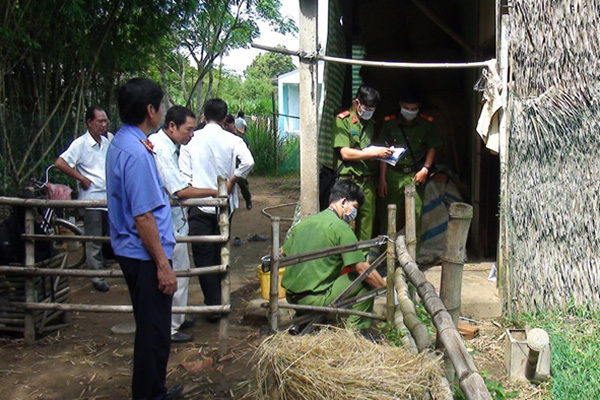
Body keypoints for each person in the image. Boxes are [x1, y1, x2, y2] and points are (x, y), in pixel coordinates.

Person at [106, 78, 182, 400]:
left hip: (134, 251)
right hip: (144, 254)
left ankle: (152, 390)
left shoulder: (122, 142)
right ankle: (151, 395)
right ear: (150, 110)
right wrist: (163, 266)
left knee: (150, 328)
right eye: (160, 106)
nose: (162, 111)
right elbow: (144, 216)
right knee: (154, 332)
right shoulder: (136, 153)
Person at [149, 106, 217, 343]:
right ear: (171, 126)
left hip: (175, 220)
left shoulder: (169, 146)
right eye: (188, 129)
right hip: (167, 223)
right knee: (176, 271)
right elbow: (179, 191)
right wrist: (213, 190)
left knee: (182, 270)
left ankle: (177, 316)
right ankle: (171, 326)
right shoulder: (160, 149)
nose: (191, 134)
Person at [179, 99, 254, 316]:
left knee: (203, 255)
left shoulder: (190, 140)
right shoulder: (232, 139)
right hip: (224, 205)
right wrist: (232, 182)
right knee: (221, 249)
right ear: (224, 118)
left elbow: (185, 177)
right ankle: (220, 298)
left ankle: (213, 303)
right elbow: (248, 162)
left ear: (203, 115)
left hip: (198, 204)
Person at [281, 180, 386, 331]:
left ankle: (303, 320)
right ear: (343, 202)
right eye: (354, 207)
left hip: (292, 298)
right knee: (365, 281)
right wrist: (386, 289)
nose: (354, 214)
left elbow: (284, 252)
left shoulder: (305, 223)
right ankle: (355, 333)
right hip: (314, 300)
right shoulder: (341, 228)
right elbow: (364, 270)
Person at [54, 105, 111, 292]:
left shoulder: (109, 140)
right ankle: (96, 276)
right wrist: (81, 178)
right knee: (93, 238)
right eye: (100, 121)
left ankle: (103, 265)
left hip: (109, 198)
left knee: (109, 235)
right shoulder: (80, 144)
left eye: (105, 121)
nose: (104, 124)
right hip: (92, 198)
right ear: (89, 122)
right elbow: (60, 162)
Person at [377, 89, 442, 241]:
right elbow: (382, 152)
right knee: (388, 215)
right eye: (407, 108)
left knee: (414, 215)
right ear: (400, 105)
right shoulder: (389, 123)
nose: (410, 112)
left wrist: (425, 169)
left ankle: (413, 255)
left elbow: (433, 146)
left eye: (414, 109)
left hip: (415, 175)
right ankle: (386, 254)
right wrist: (382, 178)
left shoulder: (426, 124)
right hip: (393, 174)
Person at [332, 84, 393, 242]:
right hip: (348, 181)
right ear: (357, 103)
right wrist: (373, 152)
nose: (369, 112)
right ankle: (344, 264)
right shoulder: (343, 121)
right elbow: (345, 153)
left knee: (366, 226)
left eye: (372, 109)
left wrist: (383, 153)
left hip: (367, 182)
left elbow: (370, 152)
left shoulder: (370, 125)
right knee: (343, 223)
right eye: (367, 108)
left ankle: (361, 262)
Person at [224, 114, 252, 210]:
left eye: (228, 125)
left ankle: (248, 200)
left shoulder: (239, 137)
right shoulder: (223, 137)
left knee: (243, 185)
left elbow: (247, 157)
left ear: (233, 123)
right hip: (227, 165)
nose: (226, 127)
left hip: (238, 166)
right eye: (225, 125)